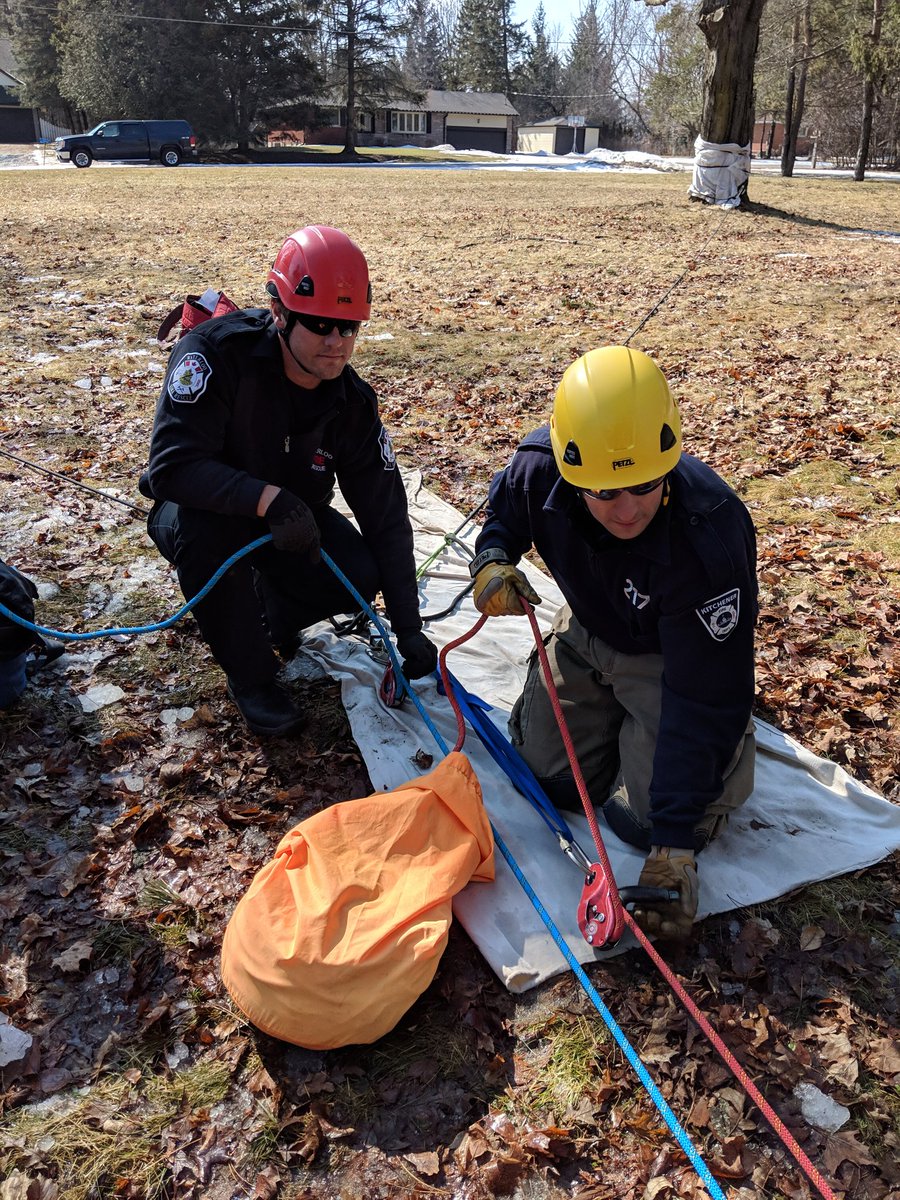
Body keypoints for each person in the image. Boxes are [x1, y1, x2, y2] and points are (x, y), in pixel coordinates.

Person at [469, 346, 758, 942]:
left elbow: (703, 694)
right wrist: (492, 560)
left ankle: (729, 755)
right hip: (591, 629)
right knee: (548, 779)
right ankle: (602, 703)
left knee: (642, 821)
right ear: (573, 475)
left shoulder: (711, 537)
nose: (627, 510)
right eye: (603, 492)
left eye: (644, 486)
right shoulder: (541, 469)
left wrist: (675, 844)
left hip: (671, 657)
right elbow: (503, 513)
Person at [140, 225, 436, 737]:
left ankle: (271, 612)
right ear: (279, 312)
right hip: (201, 513)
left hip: (292, 520)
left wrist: (408, 628)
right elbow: (171, 466)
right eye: (321, 324)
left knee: (360, 570)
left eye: (350, 328)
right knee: (205, 537)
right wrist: (265, 498)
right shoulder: (213, 355)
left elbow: (385, 515)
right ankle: (252, 678)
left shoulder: (351, 403)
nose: (336, 343)